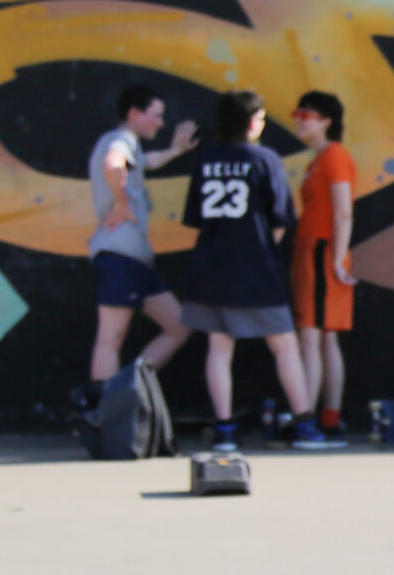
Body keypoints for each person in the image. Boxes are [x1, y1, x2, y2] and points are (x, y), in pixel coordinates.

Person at [179, 90, 327, 450]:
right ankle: (305, 426)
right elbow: (280, 219)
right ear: (250, 122)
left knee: (218, 347)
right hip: (256, 269)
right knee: (285, 345)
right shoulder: (265, 159)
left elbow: (195, 218)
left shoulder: (205, 157)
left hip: (210, 267)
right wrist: (258, 248)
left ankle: (225, 431)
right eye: (259, 118)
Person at [88, 84, 198, 384]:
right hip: (119, 254)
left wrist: (176, 150)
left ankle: (129, 390)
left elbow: (145, 162)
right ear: (134, 113)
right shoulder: (121, 139)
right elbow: (114, 163)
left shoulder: (130, 145)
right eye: (157, 116)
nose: (161, 123)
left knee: (178, 326)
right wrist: (122, 205)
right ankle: (104, 414)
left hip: (137, 260)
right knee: (110, 338)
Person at [288, 91, 358, 437]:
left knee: (312, 339)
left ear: (326, 121)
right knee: (324, 339)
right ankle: (326, 418)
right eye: (297, 113)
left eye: (307, 114)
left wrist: (336, 259)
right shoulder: (318, 160)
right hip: (317, 253)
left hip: (322, 253)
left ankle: (309, 421)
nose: (299, 120)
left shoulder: (334, 156)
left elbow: (344, 210)